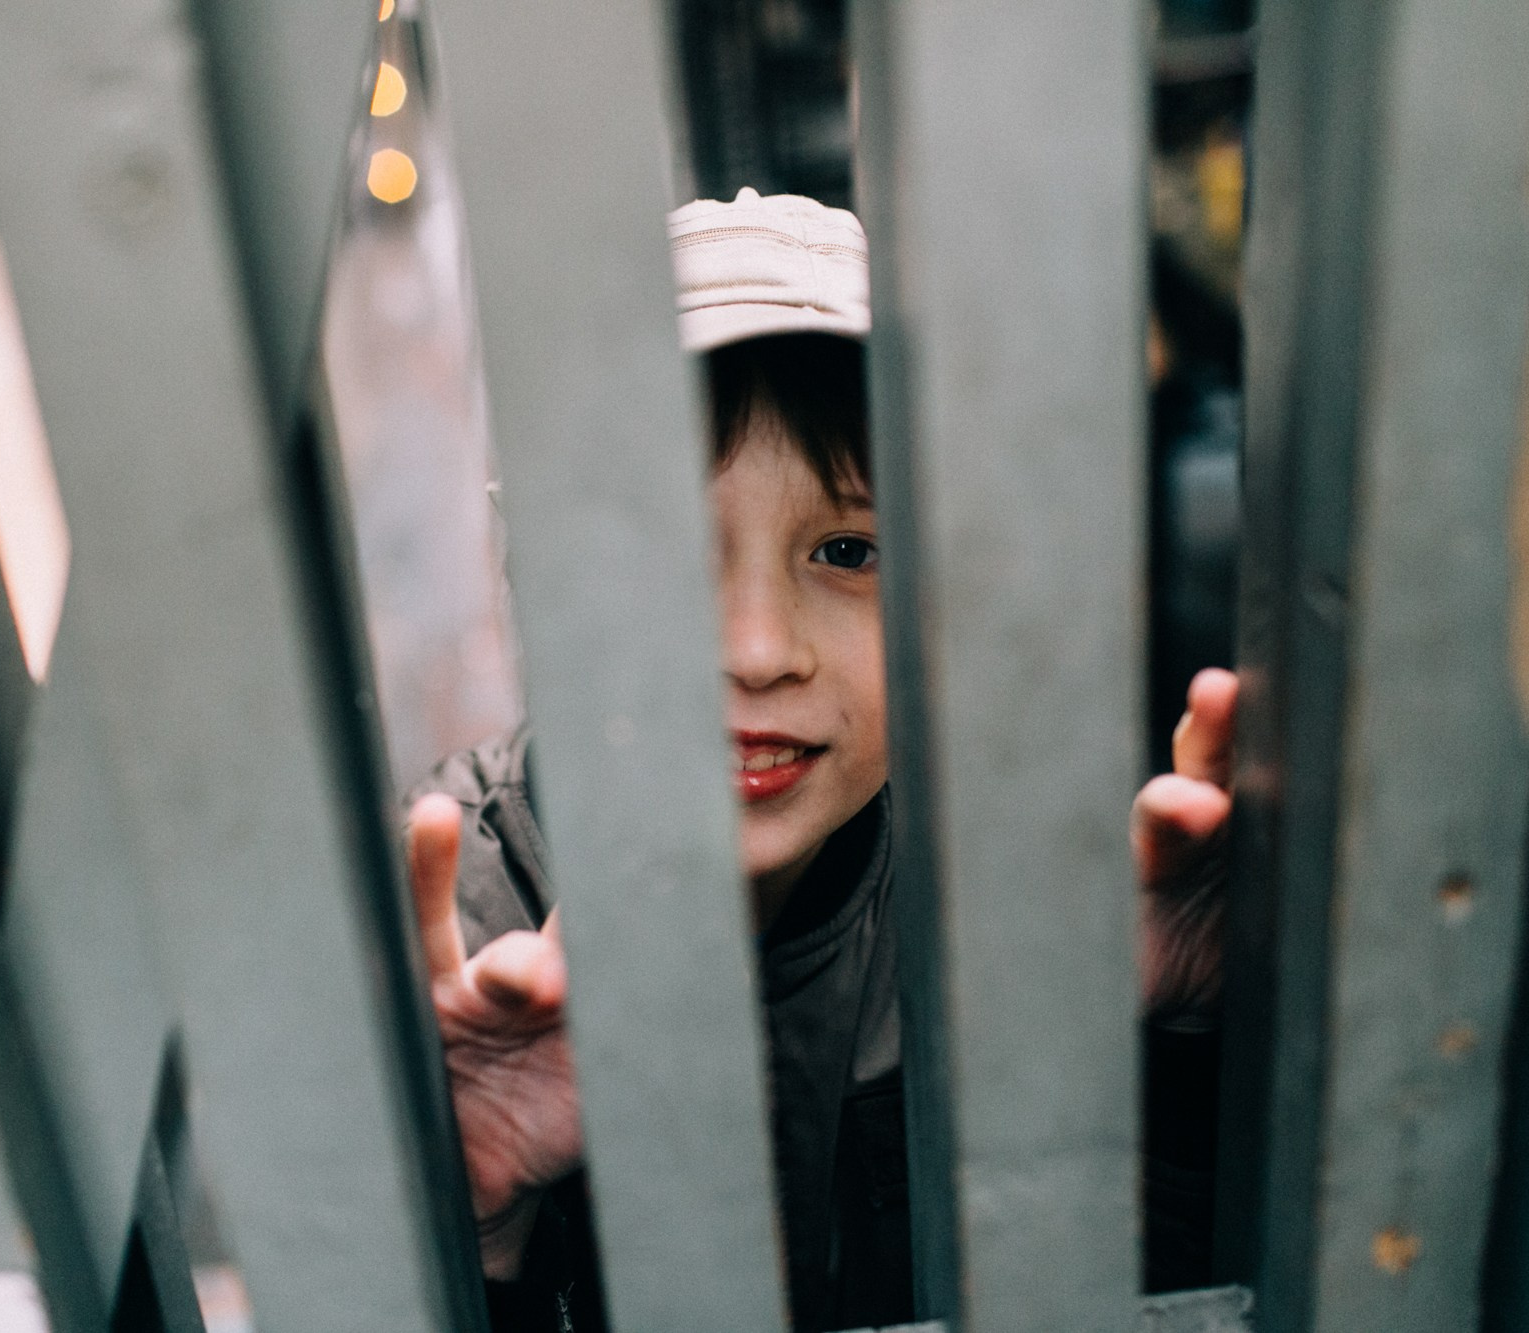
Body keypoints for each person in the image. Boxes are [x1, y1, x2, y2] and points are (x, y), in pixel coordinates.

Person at [403, 189, 1237, 1331]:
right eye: (670, 551)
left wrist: (1182, 1048)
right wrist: (477, 1221)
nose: (755, 649)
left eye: (847, 548)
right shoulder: (446, 936)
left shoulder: (1003, 897)